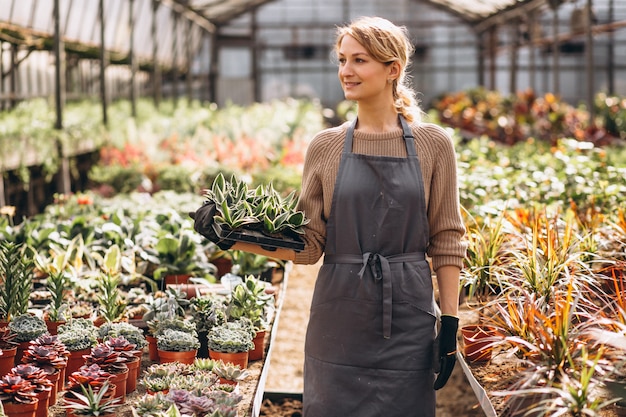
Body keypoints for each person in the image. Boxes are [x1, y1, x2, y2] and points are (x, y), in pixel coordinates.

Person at [191, 16, 467, 417]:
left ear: (394, 69)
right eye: (341, 60)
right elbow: (309, 246)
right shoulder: (326, 146)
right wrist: (231, 236)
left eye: (359, 60)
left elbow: (447, 238)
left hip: (407, 314)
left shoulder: (433, 144)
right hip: (339, 315)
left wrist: (450, 324)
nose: (346, 71)